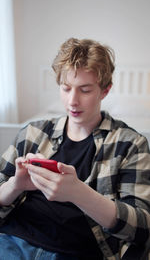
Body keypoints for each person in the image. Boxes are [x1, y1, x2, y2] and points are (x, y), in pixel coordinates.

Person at [0, 38, 150, 260]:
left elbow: (141, 227)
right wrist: (16, 185)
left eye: (85, 90)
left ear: (105, 90)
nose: (72, 101)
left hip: (75, 251)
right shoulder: (32, 133)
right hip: (13, 240)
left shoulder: (130, 145)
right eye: (66, 88)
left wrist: (79, 193)